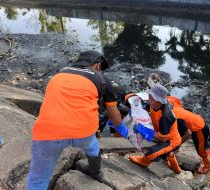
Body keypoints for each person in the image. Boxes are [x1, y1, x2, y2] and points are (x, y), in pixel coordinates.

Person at [27, 50, 128, 190]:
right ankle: (96, 172)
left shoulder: (59, 74)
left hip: (48, 134)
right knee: (93, 146)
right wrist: (122, 127)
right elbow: (115, 118)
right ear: (97, 65)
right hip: (84, 134)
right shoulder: (102, 80)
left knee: (38, 178)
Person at [129, 84, 182, 174]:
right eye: (149, 96)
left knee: (152, 153)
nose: (148, 98)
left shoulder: (165, 115)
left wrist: (144, 130)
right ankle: (169, 156)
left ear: (158, 100)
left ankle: (144, 161)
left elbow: (163, 138)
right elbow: (146, 109)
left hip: (171, 141)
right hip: (160, 131)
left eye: (151, 97)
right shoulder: (154, 105)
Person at [168, 96, 210, 174]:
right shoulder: (170, 101)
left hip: (199, 128)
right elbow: (177, 101)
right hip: (192, 122)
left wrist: (178, 144)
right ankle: (176, 148)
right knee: (178, 132)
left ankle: (207, 165)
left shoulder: (172, 115)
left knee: (201, 151)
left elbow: (188, 134)